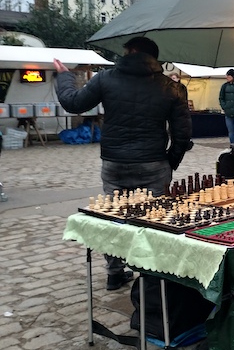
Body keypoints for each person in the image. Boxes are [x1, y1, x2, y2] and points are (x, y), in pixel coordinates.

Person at [54, 37, 192, 290]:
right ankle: (151, 276)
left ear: (133, 51)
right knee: (153, 220)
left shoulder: (106, 79)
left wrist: (64, 76)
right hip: (153, 162)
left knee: (115, 217)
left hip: (115, 161)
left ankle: (114, 272)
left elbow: (72, 102)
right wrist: (170, 162)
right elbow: (182, 134)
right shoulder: (171, 87)